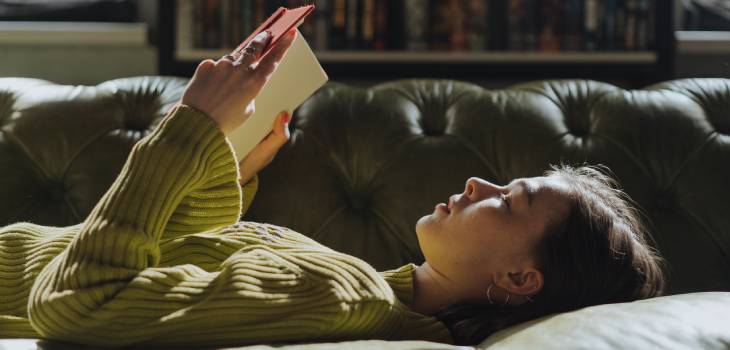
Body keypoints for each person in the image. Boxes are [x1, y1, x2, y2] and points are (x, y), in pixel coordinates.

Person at [0, 28, 667, 348]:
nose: (476, 180)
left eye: (508, 199)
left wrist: (189, 129)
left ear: (522, 281)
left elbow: (78, 302)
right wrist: (225, 169)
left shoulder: (341, 296)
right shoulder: (361, 283)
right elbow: (169, 267)